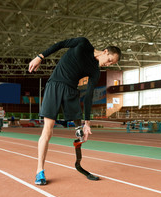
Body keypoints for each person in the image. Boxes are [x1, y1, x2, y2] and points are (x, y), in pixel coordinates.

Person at [28, 37, 121, 185]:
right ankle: (40, 171)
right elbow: (60, 44)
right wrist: (40, 57)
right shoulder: (83, 43)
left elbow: (89, 96)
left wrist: (87, 123)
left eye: (112, 64)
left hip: (71, 91)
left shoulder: (95, 71)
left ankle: (78, 158)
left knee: (80, 132)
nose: (108, 64)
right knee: (48, 130)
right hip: (56, 85)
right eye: (109, 60)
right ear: (105, 51)